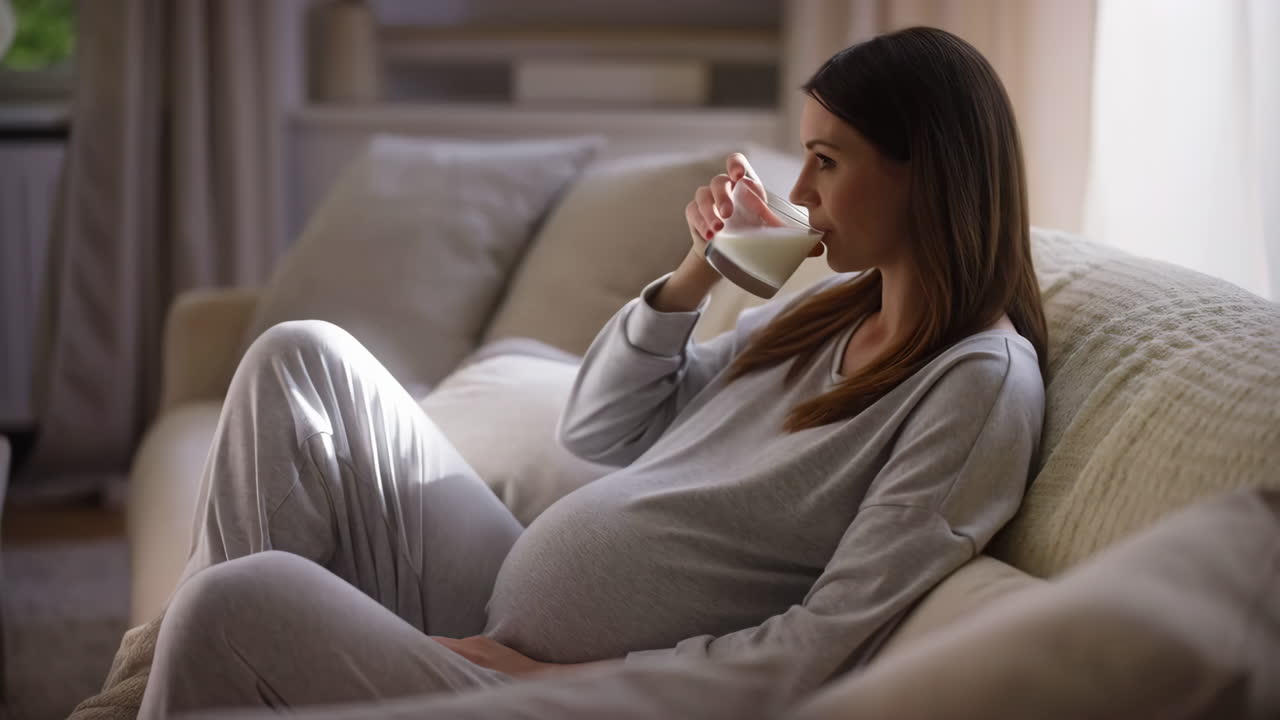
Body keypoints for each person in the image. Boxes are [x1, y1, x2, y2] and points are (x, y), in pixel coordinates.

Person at [133, 26, 1047, 719]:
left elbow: (825, 644)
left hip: (574, 693)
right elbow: (603, 429)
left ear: (926, 172)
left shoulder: (977, 385)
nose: (801, 193)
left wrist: (558, 676)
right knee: (303, 358)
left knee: (235, 603)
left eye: (826, 161)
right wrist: (701, 270)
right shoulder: (830, 314)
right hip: (503, 617)